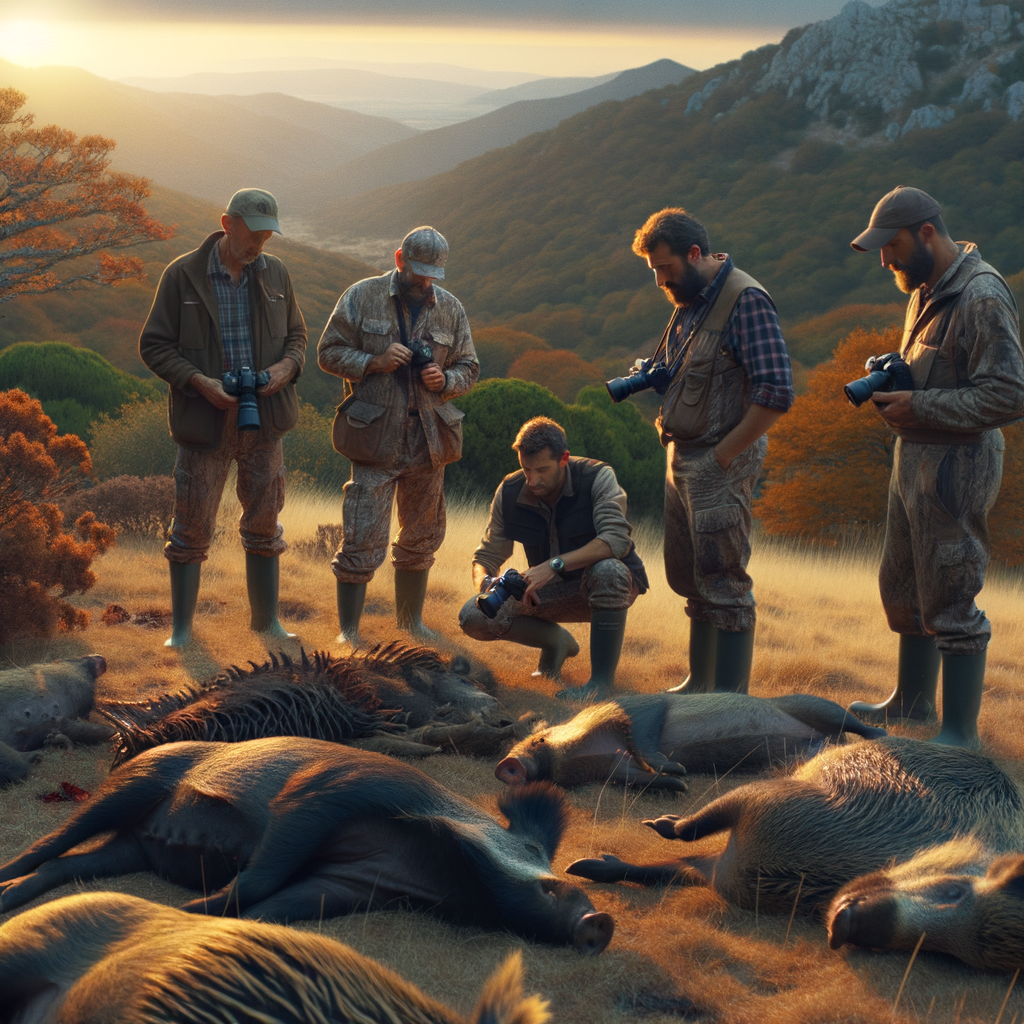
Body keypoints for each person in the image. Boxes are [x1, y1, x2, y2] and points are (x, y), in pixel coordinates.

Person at [846, 186, 1024, 747]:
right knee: (903, 585)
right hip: (914, 458)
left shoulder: (982, 295)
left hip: (958, 466)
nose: (885, 259)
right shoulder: (923, 290)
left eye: (891, 245)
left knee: (951, 590)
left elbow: (1009, 395)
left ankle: (959, 733)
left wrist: (919, 405)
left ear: (926, 232)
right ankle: (913, 702)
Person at [627, 209, 794, 695]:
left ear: (694, 254)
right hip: (682, 457)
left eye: (665, 268)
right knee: (692, 578)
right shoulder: (693, 296)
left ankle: (730, 701)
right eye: (654, 270)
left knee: (725, 581)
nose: (660, 280)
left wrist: (723, 457)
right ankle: (700, 684)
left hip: (718, 461)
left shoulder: (746, 301)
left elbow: (777, 393)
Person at [139, 188, 307, 647]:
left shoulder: (275, 273)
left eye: (267, 236)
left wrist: (285, 369)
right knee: (191, 525)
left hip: (265, 420)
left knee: (264, 521)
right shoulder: (182, 275)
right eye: (252, 233)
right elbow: (153, 345)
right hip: (204, 421)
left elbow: (297, 337)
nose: (259, 245)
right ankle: (182, 632)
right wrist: (199, 382)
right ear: (227, 223)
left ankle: (266, 624)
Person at [318, 226, 478, 643]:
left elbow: (470, 368)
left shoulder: (451, 309)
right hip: (375, 438)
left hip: (430, 442)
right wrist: (374, 360)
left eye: (432, 274)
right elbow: (327, 353)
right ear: (399, 259)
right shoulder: (362, 295)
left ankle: (410, 625)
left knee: (421, 538)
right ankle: (348, 634)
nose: (424, 282)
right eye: (418, 271)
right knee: (361, 537)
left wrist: (444, 380)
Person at [458, 417, 648, 701]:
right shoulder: (509, 491)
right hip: (544, 593)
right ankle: (557, 642)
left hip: (605, 587)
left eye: (542, 470)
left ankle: (600, 685)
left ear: (564, 459)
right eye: (526, 469)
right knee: (474, 615)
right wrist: (487, 583)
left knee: (608, 570)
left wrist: (553, 565)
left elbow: (616, 540)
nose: (533, 480)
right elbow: (486, 554)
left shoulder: (598, 476)